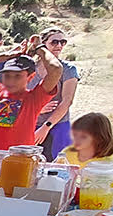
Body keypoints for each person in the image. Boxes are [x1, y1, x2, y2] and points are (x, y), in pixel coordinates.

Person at [0, 37, 63, 157]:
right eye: (7, 75)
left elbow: (56, 69)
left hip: (20, 160)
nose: (11, 80)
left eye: (17, 76)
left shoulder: (34, 98)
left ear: (31, 76)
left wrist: (40, 48)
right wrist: (8, 55)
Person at [29, 28, 81, 160]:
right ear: (44, 44)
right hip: (30, 124)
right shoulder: (29, 68)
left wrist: (46, 126)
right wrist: (37, 110)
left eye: (63, 42)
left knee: (58, 168)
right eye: (54, 42)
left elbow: (67, 101)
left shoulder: (68, 69)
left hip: (57, 127)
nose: (59, 46)